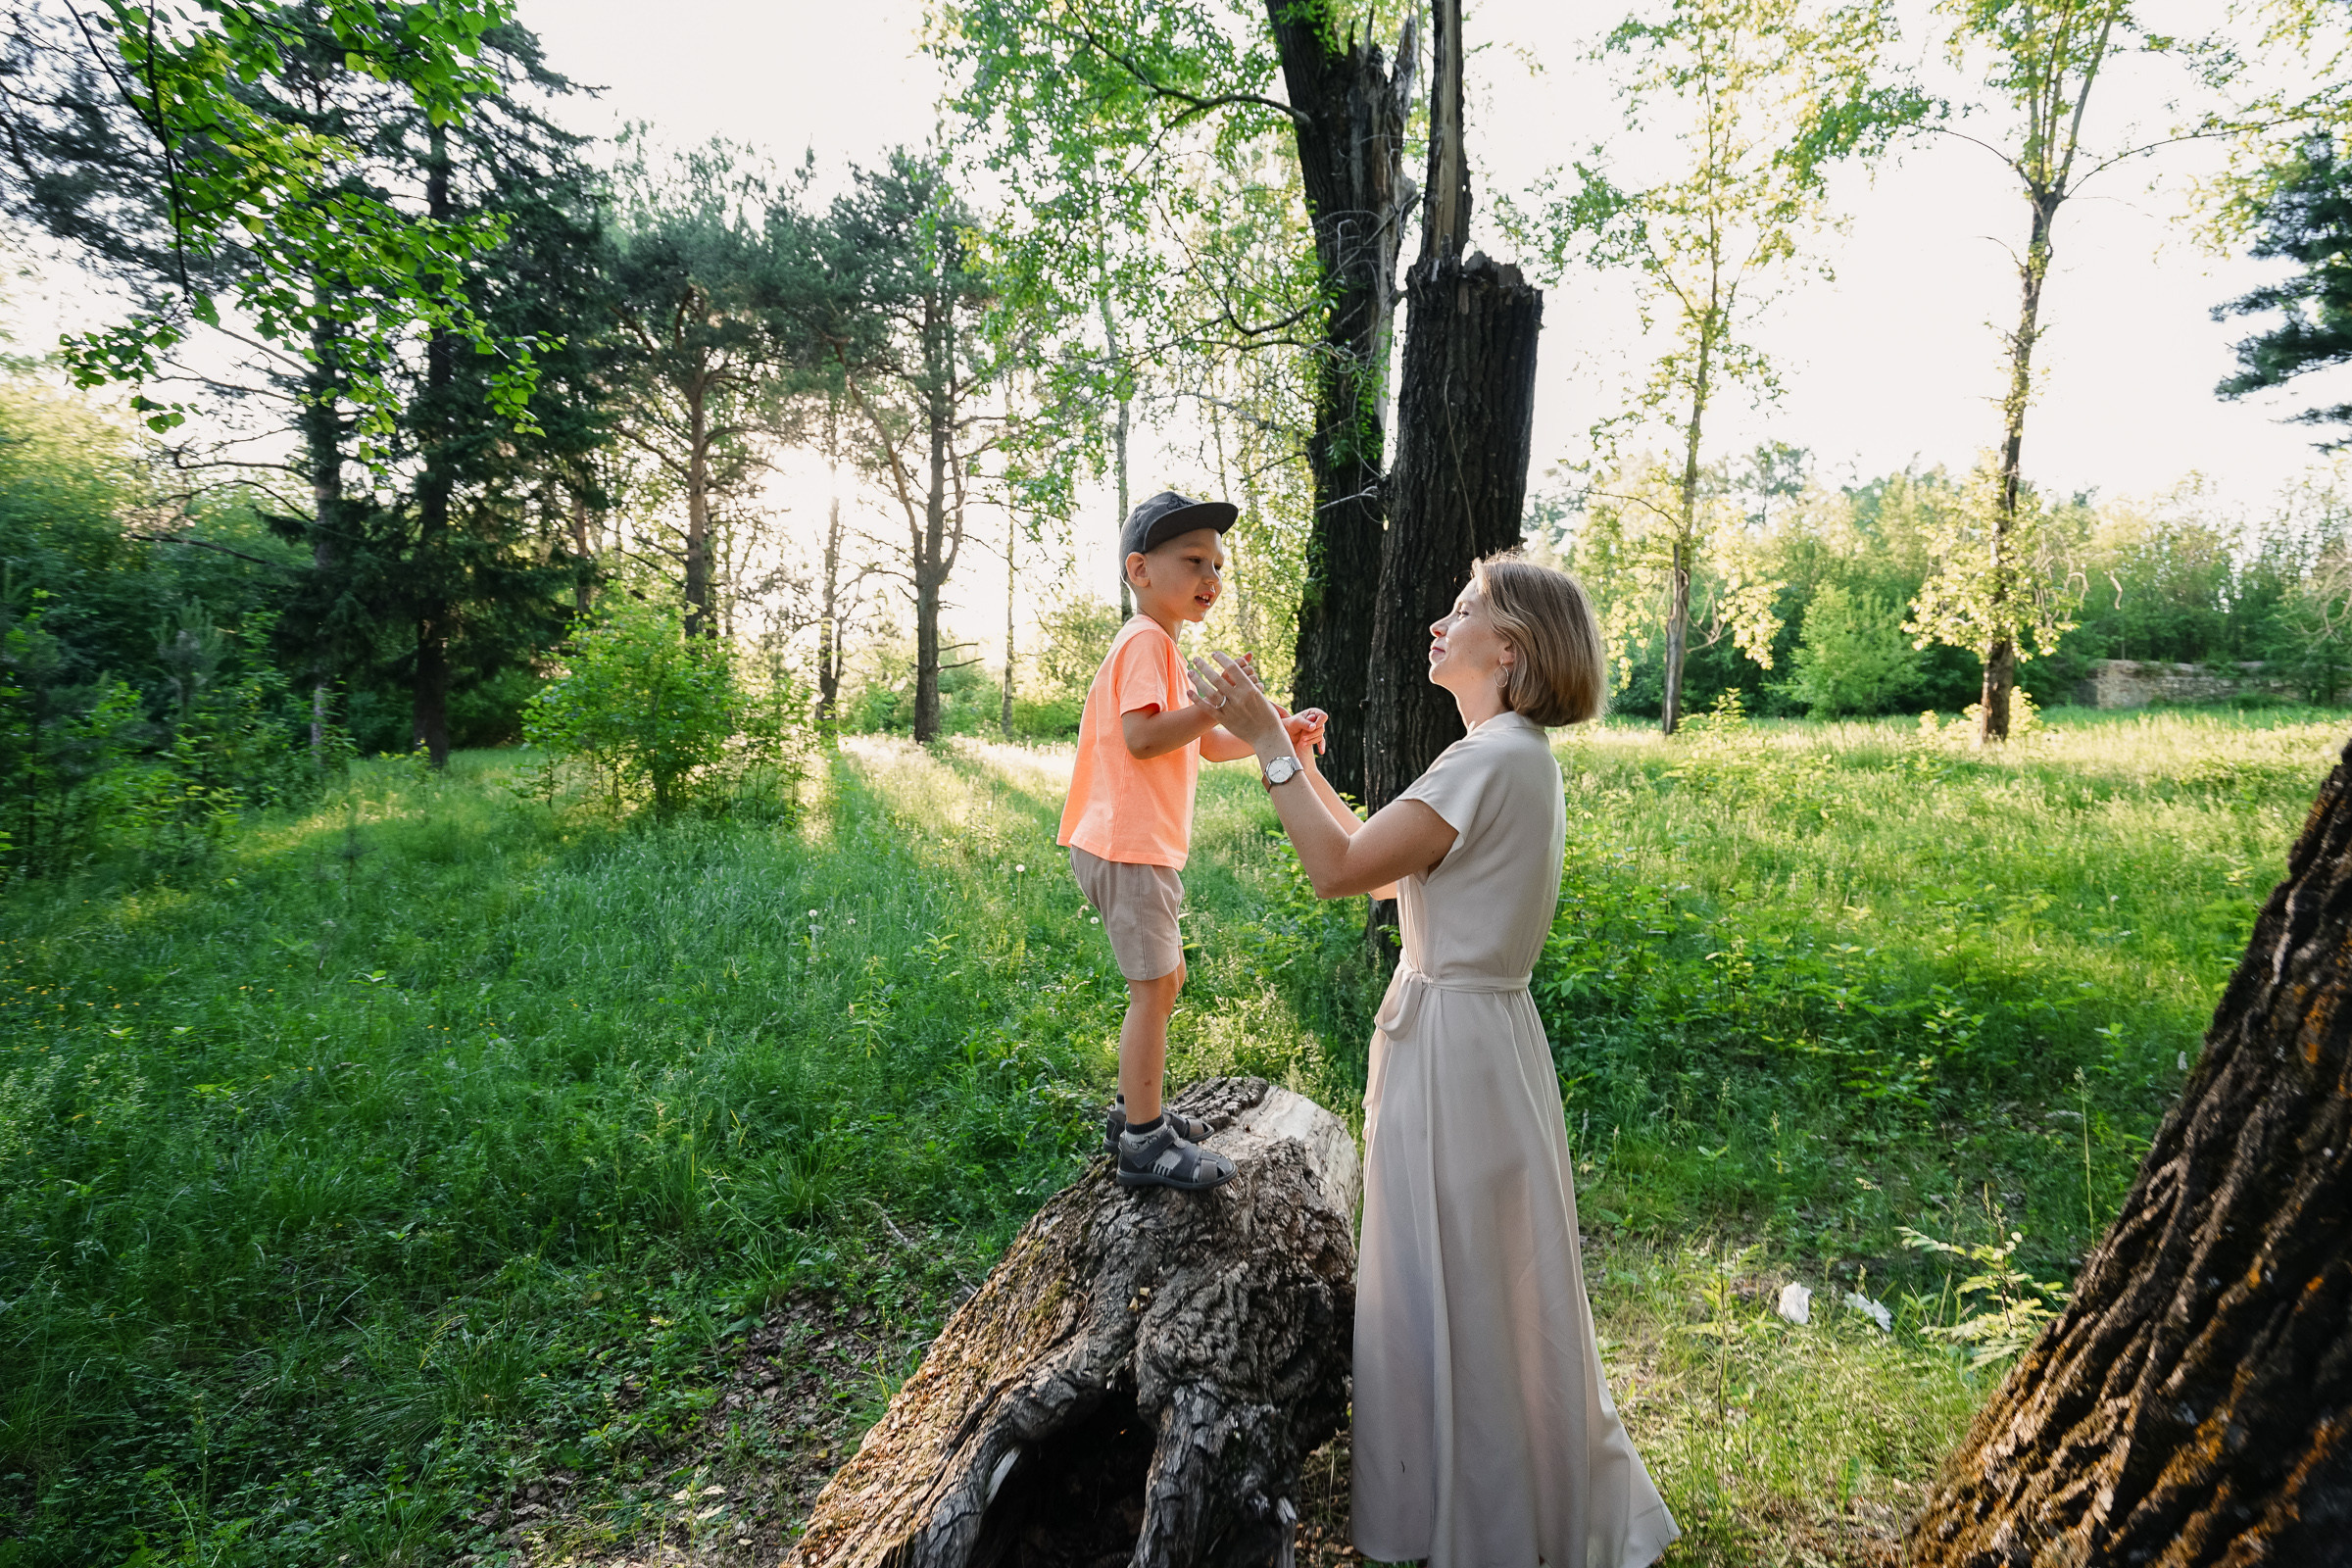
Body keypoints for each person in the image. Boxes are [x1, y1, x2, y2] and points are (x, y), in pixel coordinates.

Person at [1190, 553, 1679, 1567]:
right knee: (1479, 1274)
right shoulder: (1509, 754)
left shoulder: (1489, 757)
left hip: (1457, 1045)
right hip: (1477, 1038)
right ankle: (1485, 1501)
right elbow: (1376, 862)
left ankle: (1477, 1520)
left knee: (1451, 1272)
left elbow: (1334, 871)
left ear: (1510, 648)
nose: (1436, 626)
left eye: (1460, 612)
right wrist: (1306, 766)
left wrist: (1270, 744)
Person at [1057, 490, 1326, 1193]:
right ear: (1140, 571)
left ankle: (1134, 1114)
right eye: (1193, 560)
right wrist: (1213, 702)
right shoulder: (1146, 640)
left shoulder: (1164, 647)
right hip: (1128, 844)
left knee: (1164, 981)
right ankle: (1143, 1145)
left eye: (1217, 564)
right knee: (1153, 989)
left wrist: (1275, 732)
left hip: (1136, 844)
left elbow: (1203, 745)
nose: (1211, 576)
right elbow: (1144, 737)